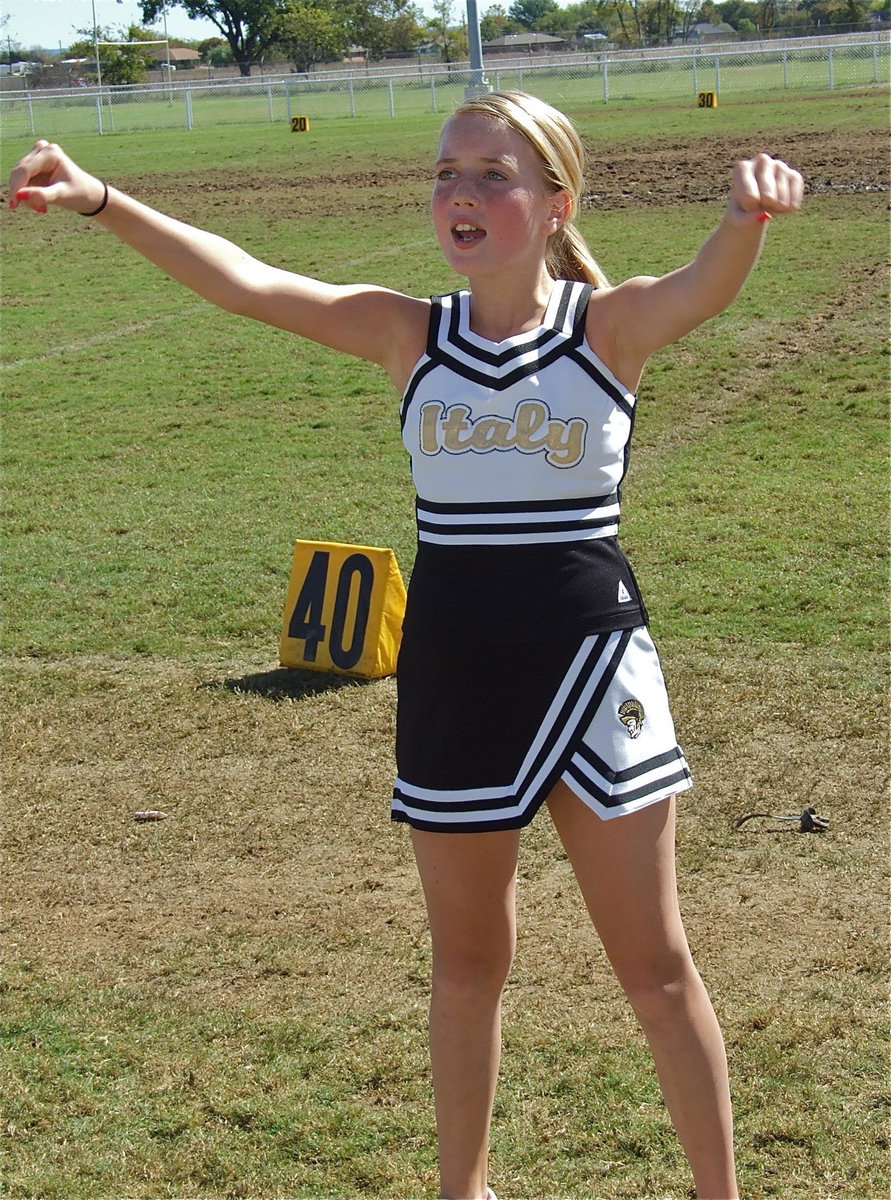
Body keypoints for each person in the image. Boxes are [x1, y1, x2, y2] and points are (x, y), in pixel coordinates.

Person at [8, 91, 803, 1200]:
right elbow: (246, 282)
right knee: (469, 966)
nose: (461, 194)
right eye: (445, 174)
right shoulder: (408, 333)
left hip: (592, 670)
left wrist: (742, 221)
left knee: (658, 971)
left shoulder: (607, 326)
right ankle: (461, 1190)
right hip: (457, 676)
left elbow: (702, 291)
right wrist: (100, 199)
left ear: (554, 201)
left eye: (493, 174)